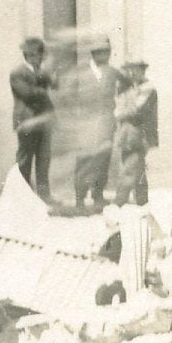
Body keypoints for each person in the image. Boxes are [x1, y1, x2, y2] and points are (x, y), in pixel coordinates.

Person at [50, 37, 118, 214]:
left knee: (103, 159)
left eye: (107, 52)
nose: (106, 55)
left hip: (106, 123)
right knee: (84, 161)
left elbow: (123, 89)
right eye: (102, 52)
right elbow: (65, 95)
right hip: (85, 124)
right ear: (94, 54)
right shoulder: (81, 74)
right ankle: (80, 198)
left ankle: (98, 195)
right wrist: (77, 113)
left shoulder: (112, 72)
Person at [111, 60, 160, 205]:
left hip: (139, 135)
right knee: (137, 170)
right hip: (127, 136)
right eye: (128, 70)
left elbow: (135, 110)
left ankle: (118, 203)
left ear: (142, 70)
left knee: (129, 170)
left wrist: (117, 113)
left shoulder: (148, 89)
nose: (131, 73)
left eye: (134, 70)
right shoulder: (130, 88)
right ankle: (142, 201)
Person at [9, 37, 52, 198]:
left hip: (42, 122)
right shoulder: (18, 72)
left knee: (44, 159)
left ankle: (44, 196)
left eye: (41, 56)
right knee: (24, 160)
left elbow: (55, 83)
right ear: (29, 55)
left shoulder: (40, 71)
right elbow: (27, 93)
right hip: (26, 121)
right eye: (36, 56)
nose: (39, 59)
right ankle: (22, 196)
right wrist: (44, 90)